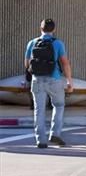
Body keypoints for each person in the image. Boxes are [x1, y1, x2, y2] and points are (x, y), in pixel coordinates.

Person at [24, 18, 73, 148]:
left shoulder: (32, 43)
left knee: (39, 110)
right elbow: (65, 63)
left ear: (41, 29)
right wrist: (69, 81)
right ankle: (55, 133)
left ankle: (41, 140)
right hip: (54, 79)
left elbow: (27, 64)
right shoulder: (58, 44)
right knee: (58, 105)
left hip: (37, 80)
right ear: (54, 29)